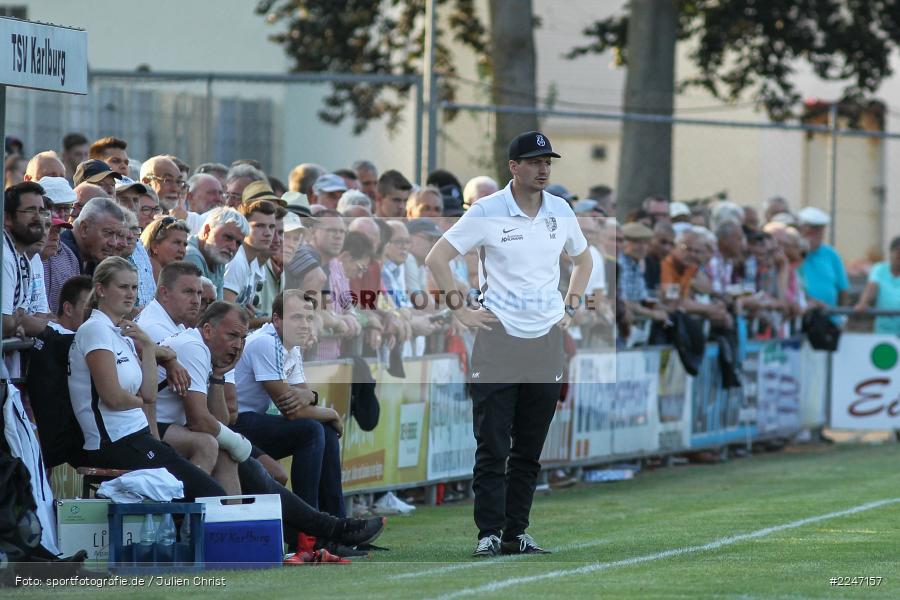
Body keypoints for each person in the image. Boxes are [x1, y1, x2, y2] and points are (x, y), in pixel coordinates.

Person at [425, 130, 592, 557]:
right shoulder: (487, 209)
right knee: (493, 443)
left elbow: (584, 259)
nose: (543, 169)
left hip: (546, 340)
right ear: (513, 167)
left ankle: (517, 533)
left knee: (529, 448)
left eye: (547, 162)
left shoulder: (559, 209)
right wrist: (461, 311)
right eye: (534, 162)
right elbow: (437, 258)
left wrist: (570, 308)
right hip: (498, 337)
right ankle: (488, 532)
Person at [67, 256, 226, 500]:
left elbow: (150, 394)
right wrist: (138, 400)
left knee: (208, 493)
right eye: (123, 287)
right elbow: (113, 398)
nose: (130, 294)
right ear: (100, 289)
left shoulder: (122, 332)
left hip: (138, 437)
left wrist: (149, 346)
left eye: (134, 287)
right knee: (209, 494)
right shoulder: (95, 329)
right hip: (115, 443)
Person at [233, 290, 346, 516]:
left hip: (252, 421)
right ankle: (308, 522)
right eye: (297, 317)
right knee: (312, 430)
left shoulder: (290, 346)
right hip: (234, 423)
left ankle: (335, 521)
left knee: (325, 430)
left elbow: (305, 402)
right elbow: (293, 411)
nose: (304, 325)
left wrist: (310, 397)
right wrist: (332, 414)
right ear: (276, 319)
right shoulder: (266, 342)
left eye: (309, 318)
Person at [3, 181, 51, 337]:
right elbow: (4, 324)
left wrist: (14, 322)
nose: (38, 218)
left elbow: (20, 315)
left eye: (41, 211)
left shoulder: (23, 258)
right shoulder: (4, 257)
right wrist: (13, 325)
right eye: (30, 210)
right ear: (7, 218)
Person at [183, 207, 249, 299]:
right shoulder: (191, 256)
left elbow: (217, 305)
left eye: (238, 243)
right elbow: (201, 305)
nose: (233, 247)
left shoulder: (217, 258)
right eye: (228, 237)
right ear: (207, 231)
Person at [797, 207, 848, 309]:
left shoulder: (831, 254)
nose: (815, 236)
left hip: (829, 314)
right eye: (810, 232)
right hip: (801, 313)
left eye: (819, 231)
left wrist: (841, 314)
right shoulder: (794, 253)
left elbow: (842, 288)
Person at [854, 236, 900, 334]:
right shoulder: (879, 269)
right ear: (891, 253)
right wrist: (863, 302)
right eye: (898, 252)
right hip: (883, 332)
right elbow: (871, 287)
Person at [140, 216, 190, 283]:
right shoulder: (140, 277)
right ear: (155, 246)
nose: (182, 250)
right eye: (176, 243)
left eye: (185, 245)